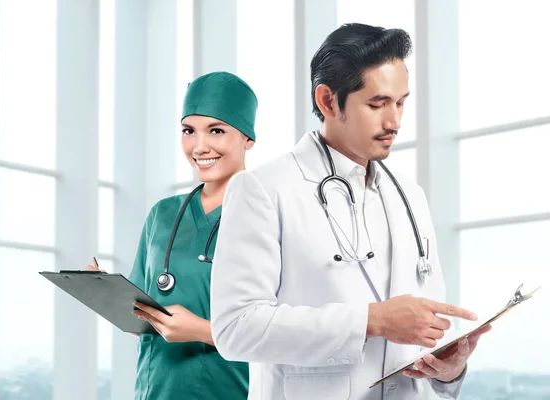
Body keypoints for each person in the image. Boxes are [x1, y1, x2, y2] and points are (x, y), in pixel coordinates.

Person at [209, 24, 490, 399]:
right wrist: (372, 320)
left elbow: (420, 334)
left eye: (401, 102)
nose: (394, 122)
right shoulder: (264, 189)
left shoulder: (410, 195)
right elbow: (235, 329)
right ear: (327, 101)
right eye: (377, 104)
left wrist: (448, 370)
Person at [87, 71, 257, 399]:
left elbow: (287, 332)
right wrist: (107, 294)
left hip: (231, 390)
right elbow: (145, 320)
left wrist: (203, 331)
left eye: (216, 131)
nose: (199, 146)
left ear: (247, 138)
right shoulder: (163, 214)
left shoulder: (268, 212)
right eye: (188, 131)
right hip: (156, 389)